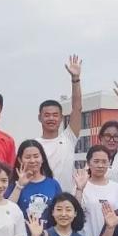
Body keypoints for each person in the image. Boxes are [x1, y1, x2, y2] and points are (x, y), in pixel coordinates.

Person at [37, 55, 83, 193]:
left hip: (67, 200)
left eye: (55, 115)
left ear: (62, 118)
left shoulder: (69, 138)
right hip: (43, 198)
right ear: (39, 118)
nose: (51, 118)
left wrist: (75, 79)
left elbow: (77, 108)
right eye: (47, 115)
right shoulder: (35, 145)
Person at [8, 139, 62, 222]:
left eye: (36, 156)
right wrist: (19, 186)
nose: (32, 161)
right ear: (20, 160)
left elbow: (62, 210)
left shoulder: (53, 184)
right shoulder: (14, 184)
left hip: (48, 230)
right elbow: (7, 211)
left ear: (42, 158)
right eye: (27, 157)